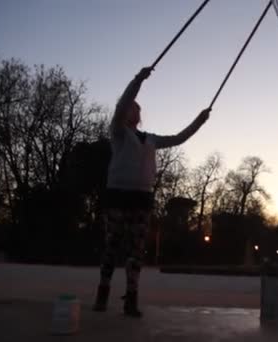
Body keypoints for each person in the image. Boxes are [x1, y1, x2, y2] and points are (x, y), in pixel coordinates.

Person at [92, 66, 211, 317]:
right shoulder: (118, 132)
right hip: (117, 195)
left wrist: (199, 121)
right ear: (124, 113)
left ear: (139, 115)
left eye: (136, 107)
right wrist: (138, 80)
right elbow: (122, 101)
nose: (133, 108)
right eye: (129, 106)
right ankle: (103, 292)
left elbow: (180, 138)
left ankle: (131, 298)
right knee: (111, 246)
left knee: (136, 251)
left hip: (142, 198)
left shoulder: (152, 139)